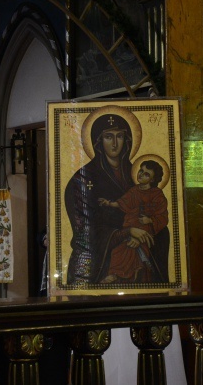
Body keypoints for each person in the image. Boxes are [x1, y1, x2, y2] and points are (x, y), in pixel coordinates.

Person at [65, 107, 152, 284]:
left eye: (119, 136)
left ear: (126, 140)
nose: (114, 143)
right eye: (108, 137)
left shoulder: (137, 173)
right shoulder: (83, 177)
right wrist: (126, 233)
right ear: (98, 141)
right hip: (101, 256)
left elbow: (152, 208)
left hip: (137, 245)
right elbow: (85, 231)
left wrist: (141, 232)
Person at [98, 159, 170, 283]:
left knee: (132, 250)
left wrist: (150, 220)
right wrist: (109, 203)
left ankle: (121, 274)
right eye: (141, 171)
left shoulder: (157, 194)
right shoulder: (134, 191)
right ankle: (115, 273)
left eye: (146, 174)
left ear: (152, 180)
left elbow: (162, 216)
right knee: (118, 251)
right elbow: (122, 202)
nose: (141, 174)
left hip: (145, 229)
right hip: (129, 226)